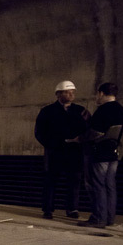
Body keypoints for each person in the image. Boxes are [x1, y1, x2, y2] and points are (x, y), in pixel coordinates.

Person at [34, 80, 90, 219]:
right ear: (58, 94)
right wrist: (51, 144)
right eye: (67, 92)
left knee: (74, 180)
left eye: (73, 92)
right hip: (55, 151)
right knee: (51, 180)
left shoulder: (80, 111)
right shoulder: (47, 111)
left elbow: (88, 129)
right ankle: (48, 209)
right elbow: (39, 132)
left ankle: (72, 209)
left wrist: (81, 140)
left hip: (74, 152)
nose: (71, 94)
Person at [78, 82, 123, 228]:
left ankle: (99, 218)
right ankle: (109, 218)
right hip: (114, 152)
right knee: (110, 185)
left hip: (100, 153)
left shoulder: (103, 110)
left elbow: (96, 133)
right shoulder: (121, 110)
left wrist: (80, 138)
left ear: (101, 93)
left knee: (97, 185)